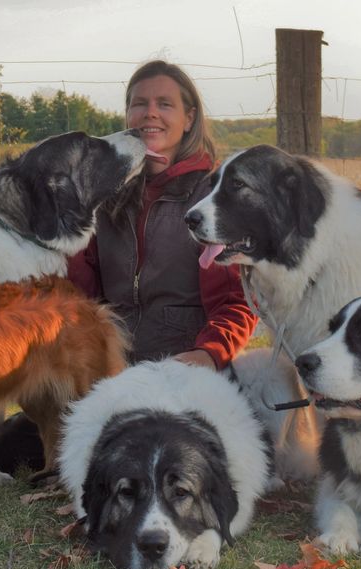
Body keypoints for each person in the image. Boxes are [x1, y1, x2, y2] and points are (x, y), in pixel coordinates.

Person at [66, 60, 257, 369]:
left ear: (188, 118)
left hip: (183, 368)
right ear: (128, 115)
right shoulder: (104, 193)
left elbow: (234, 302)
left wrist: (209, 353)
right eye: (139, 104)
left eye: (164, 104)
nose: (150, 112)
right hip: (109, 366)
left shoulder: (213, 196)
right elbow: (80, 294)